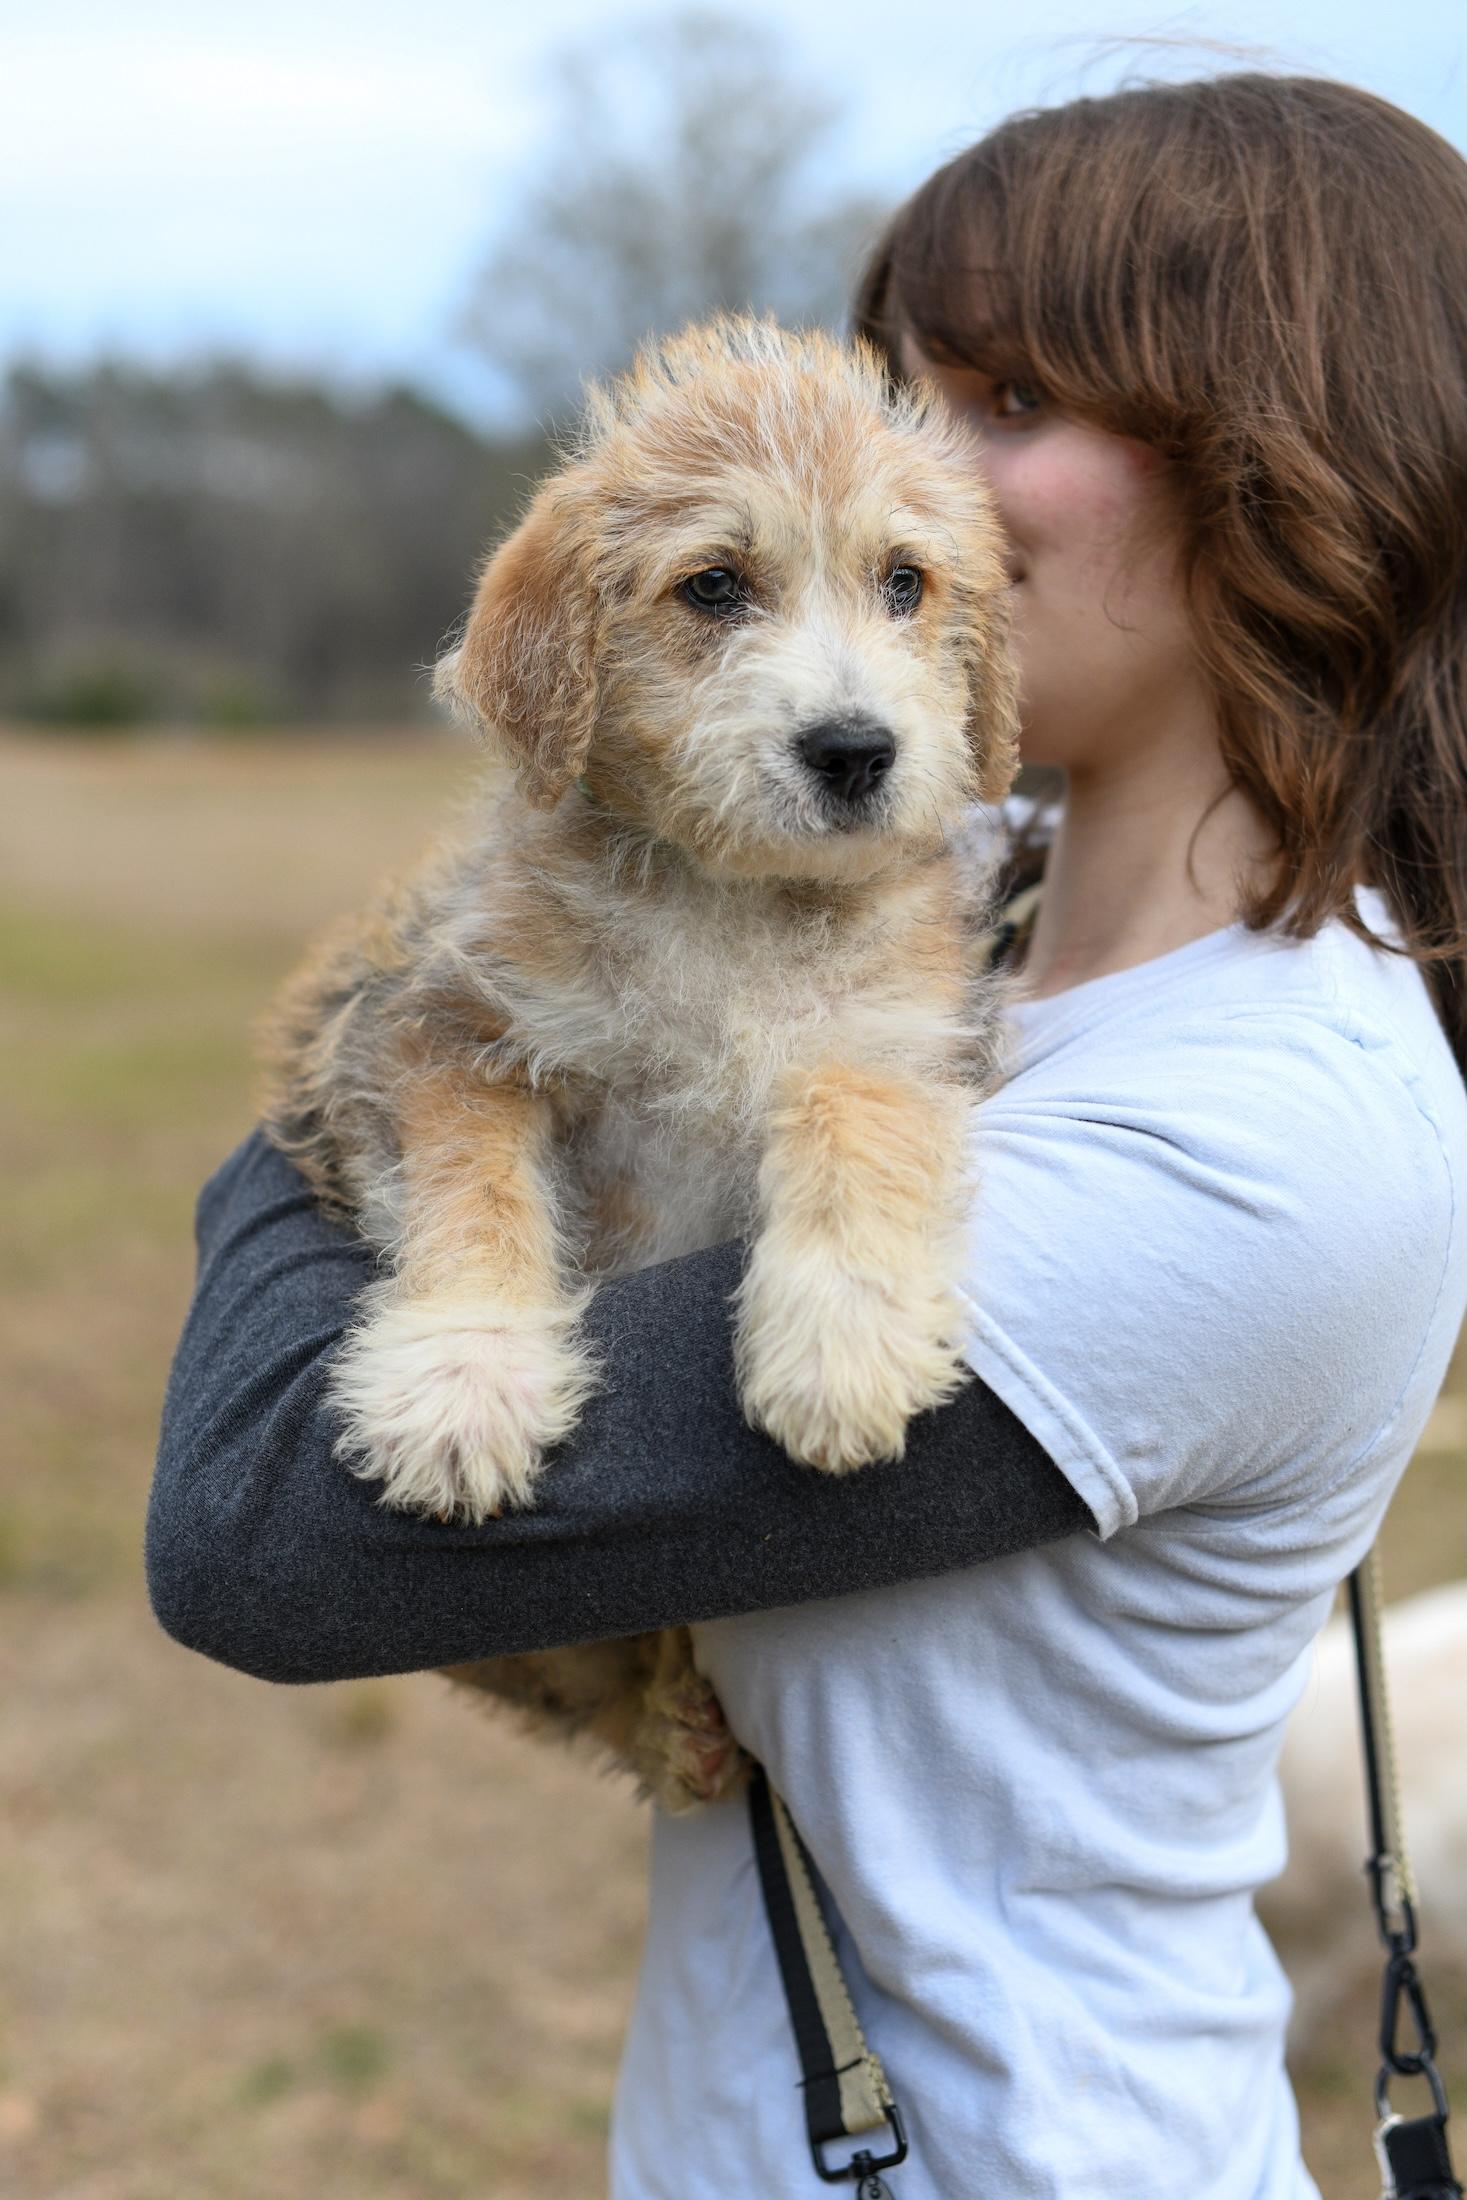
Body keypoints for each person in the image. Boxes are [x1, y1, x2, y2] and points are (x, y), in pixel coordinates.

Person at [147, 71, 1467, 2198]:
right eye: (904, 374)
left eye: (1006, 389)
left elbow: (271, 1523)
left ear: (1294, 464)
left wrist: (332, 1104)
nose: (912, 450)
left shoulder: (1260, 1145)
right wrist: (452, 1012)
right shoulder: (977, 898)